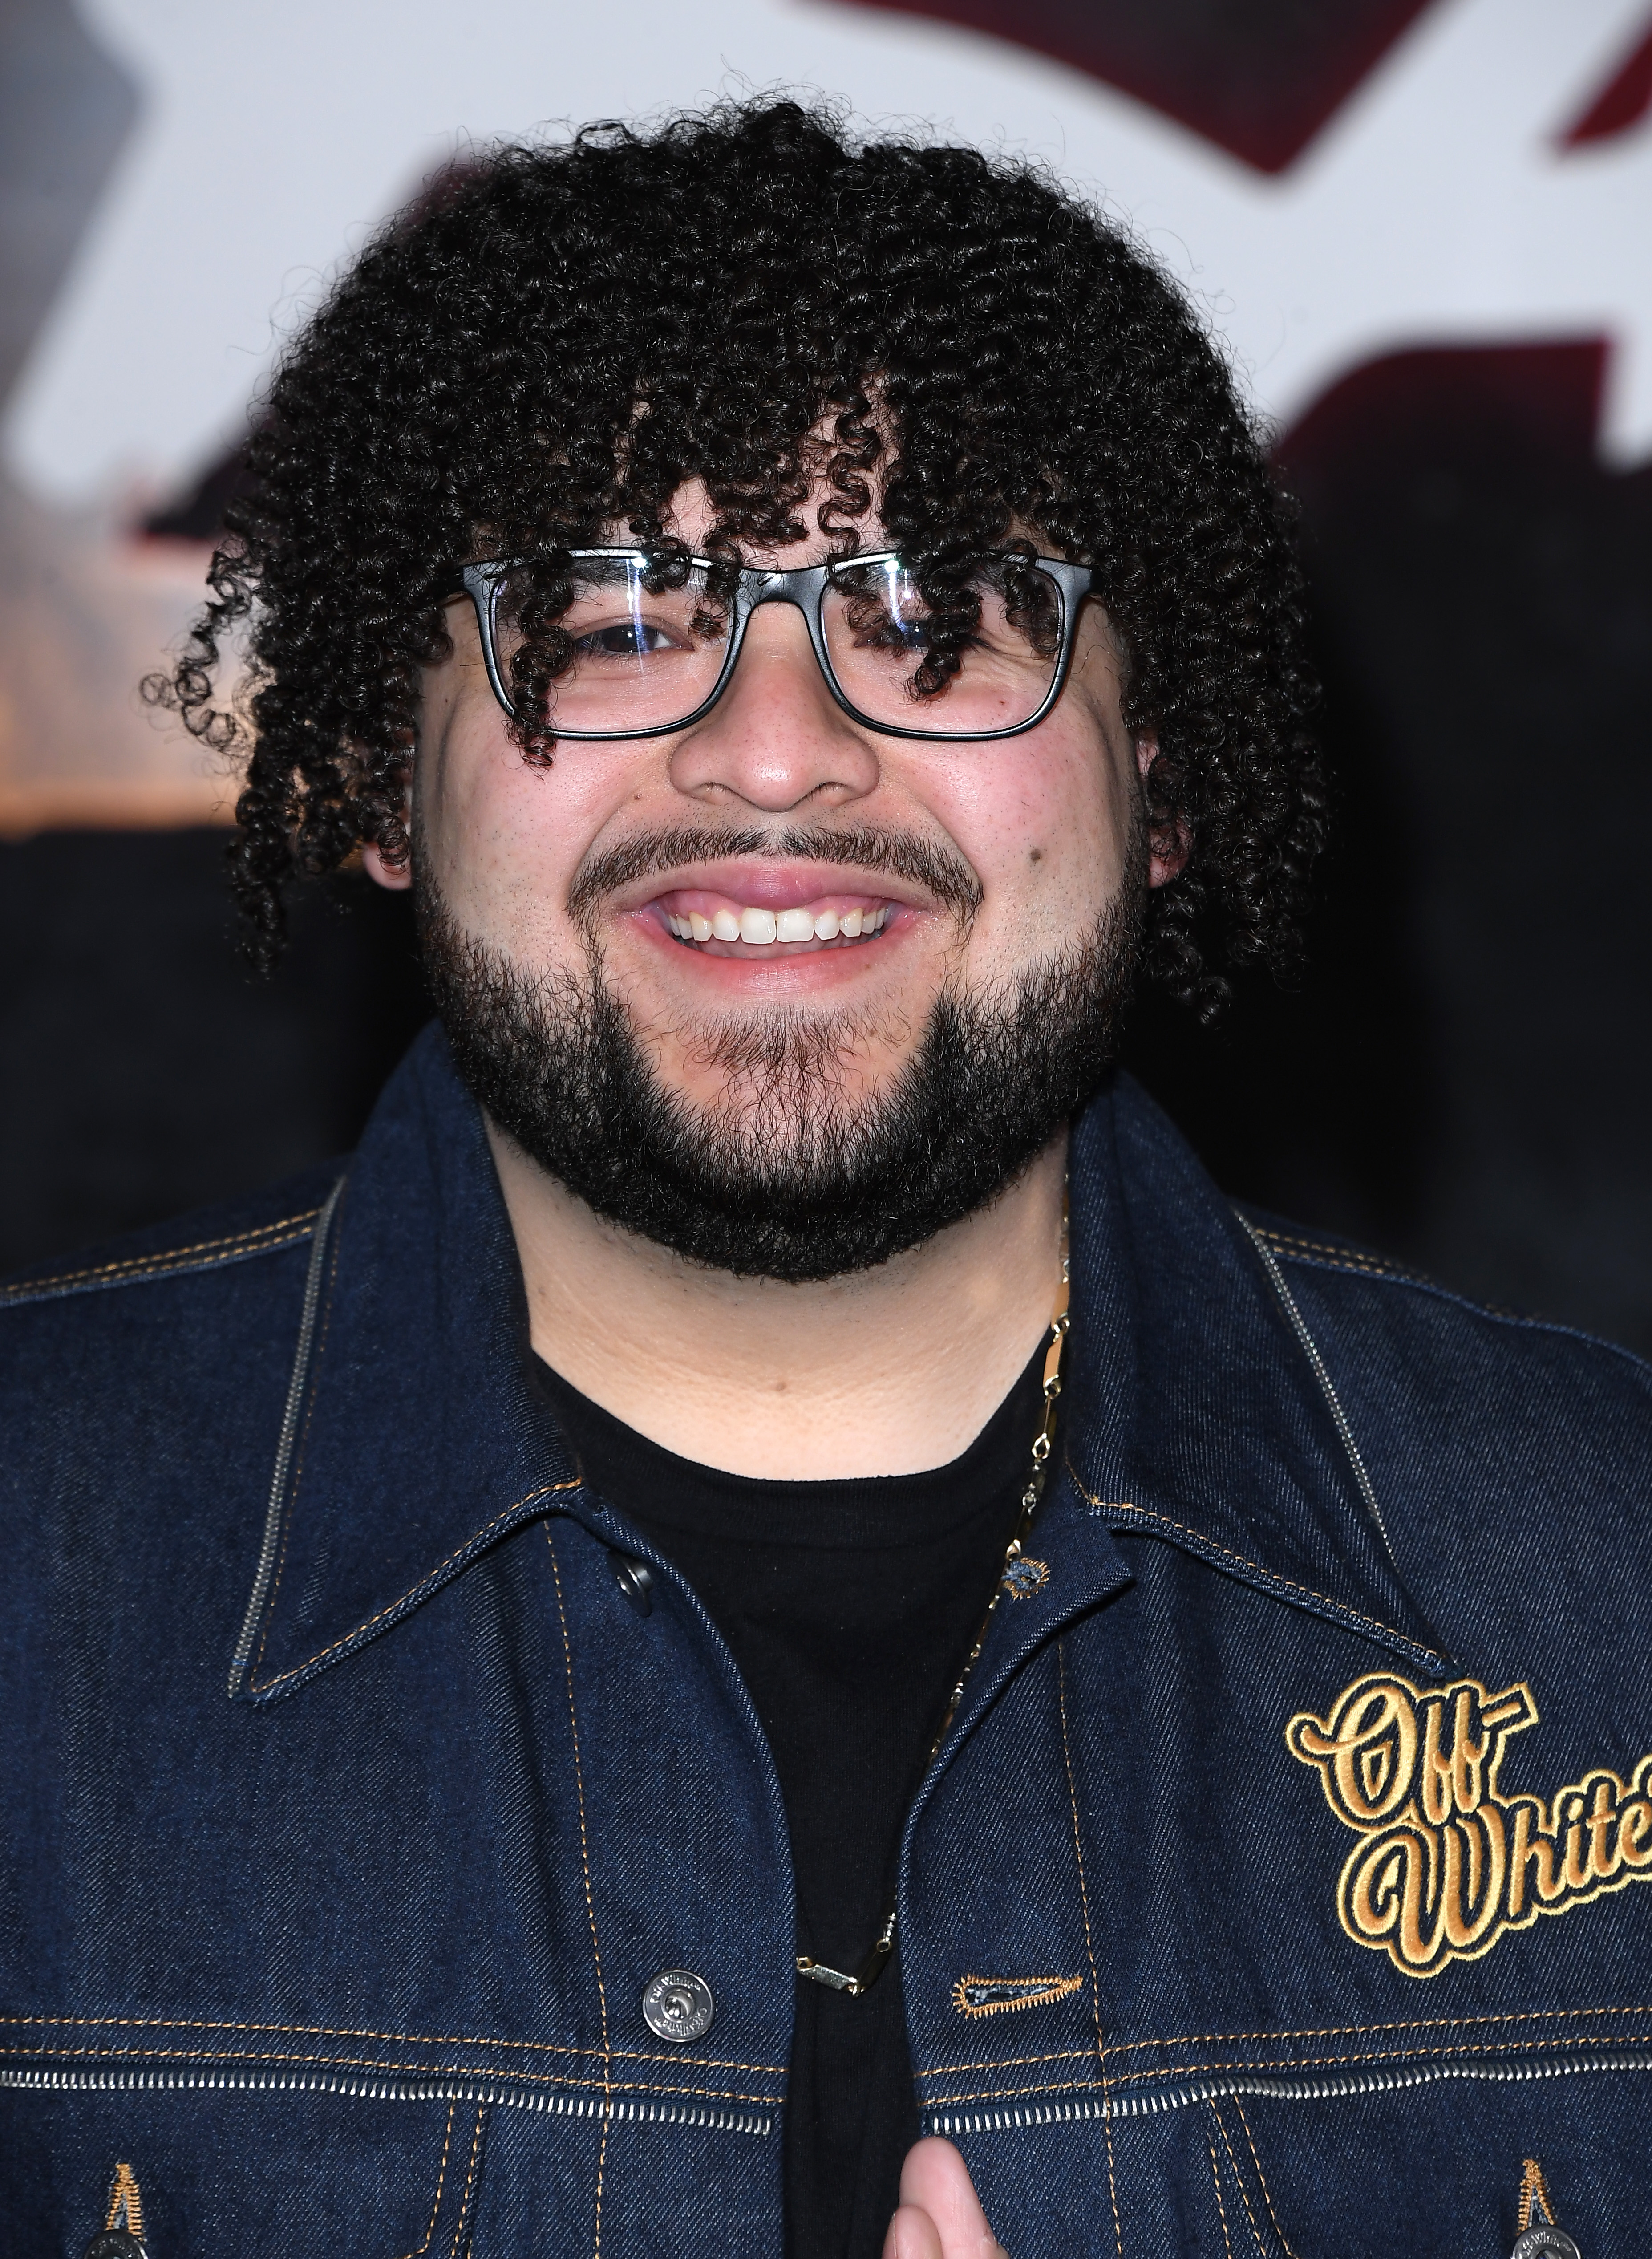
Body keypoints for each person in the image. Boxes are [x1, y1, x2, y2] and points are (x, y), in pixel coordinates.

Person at [3, 97, 1647, 2259]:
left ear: (1160, 797)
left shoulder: (1608, 1582)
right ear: (375, 782)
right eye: (607, 616)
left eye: (940, 618)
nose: (773, 746)